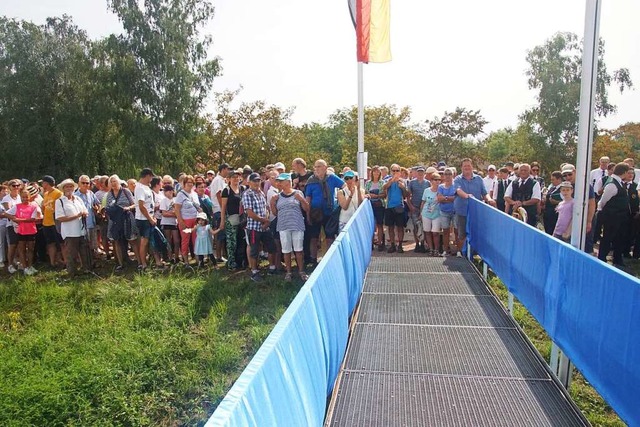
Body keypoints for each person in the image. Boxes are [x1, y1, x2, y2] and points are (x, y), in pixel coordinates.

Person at [270, 173, 310, 282]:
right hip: (283, 226)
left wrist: (301, 199)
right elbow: (275, 213)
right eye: (278, 181)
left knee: (299, 250)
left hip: (297, 225)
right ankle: (289, 272)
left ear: (288, 182)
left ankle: (301, 271)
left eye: (281, 181)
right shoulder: (277, 196)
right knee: (286, 250)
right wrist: (272, 203)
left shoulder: (298, 193)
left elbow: (306, 208)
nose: (279, 183)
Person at [305, 159, 345, 264]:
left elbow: (344, 186)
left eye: (319, 166)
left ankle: (329, 260)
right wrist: (308, 215)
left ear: (325, 168)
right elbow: (308, 199)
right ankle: (313, 260)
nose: (317, 169)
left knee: (330, 236)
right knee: (314, 237)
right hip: (315, 213)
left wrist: (342, 197)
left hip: (329, 212)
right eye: (316, 167)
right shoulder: (311, 180)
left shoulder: (331, 178)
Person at [454, 158, 496, 257]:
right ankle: (461, 255)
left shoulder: (479, 179)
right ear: (461, 167)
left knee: (475, 233)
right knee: (462, 234)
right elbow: (458, 190)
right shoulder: (457, 179)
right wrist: (467, 195)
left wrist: (489, 199)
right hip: (462, 211)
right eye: (465, 166)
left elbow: (484, 193)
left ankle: (473, 256)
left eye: (468, 165)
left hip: (476, 212)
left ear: (472, 166)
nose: (467, 168)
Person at [243, 172, 277, 282]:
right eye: (254, 181)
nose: (257, 183)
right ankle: (254, 272)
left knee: (271, 247)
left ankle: (272, 268)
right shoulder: (247, 194)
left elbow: (266, 208)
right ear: (249, 182)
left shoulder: (261, 193)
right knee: (254, 250)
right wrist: (264, 220)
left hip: (264, 226)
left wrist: (266, 221)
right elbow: (249, 213)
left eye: (258, 180)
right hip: (253, 227)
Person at [55, 179, 92, 277]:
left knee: (84, 251)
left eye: (71, 186)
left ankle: (86, 269)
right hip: (70, 232)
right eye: (67, 186)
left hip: (81, 230)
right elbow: (60, 218)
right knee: (71, 253)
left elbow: (85, 210)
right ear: (63, 189)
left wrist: (84, 214)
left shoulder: (78, 199)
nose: (69, 188)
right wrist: (77, 216)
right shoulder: (60, 201)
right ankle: (72, 273)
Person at [597, 162, 631, 268]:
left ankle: (617, 259)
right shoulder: (612, 184)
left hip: (620, 217)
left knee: (619, 238)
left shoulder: (619, 182)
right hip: (612, 217)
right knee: (608, 237)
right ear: (624, 172)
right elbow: (603, 201)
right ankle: (602, 258)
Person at [5, 185, 42, 275]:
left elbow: (32, 219)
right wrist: (13, 218)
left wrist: (18, 220)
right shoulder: (17, 206)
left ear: (30, 197)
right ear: (21, 197)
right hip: (21, 231)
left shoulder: (33, 207)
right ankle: (25, 267)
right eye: (23, 197)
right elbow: (6, 213)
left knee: (30, 249)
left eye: (27, 197)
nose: (25, 199)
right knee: (21, 249)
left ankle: (30, 266)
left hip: (31, 230)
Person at [105, 174, 139, 272]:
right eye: (111, 182)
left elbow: (134, 204)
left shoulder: (125, 191)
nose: (113, 183)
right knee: (117, 241)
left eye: (115, 181)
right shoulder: (109, 194)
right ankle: (120, 264)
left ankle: (139, 261)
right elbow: (107, 207)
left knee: (132, 240)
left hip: (126, 218)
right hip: (115, 220)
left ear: (119, 182)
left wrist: (128, 208)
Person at [219, 169, 247, 271]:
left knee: (241, 240)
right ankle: (231, 262)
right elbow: (223, 207)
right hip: (231, 218)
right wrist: (222, 221)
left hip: (242, 218)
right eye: (233, 177)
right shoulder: (226, 191)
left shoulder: (243, 188)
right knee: (232, 242)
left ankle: (241, 261)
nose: (236, 179)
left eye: (237, 177)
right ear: (229, 179)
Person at [174, 175, 201, 264]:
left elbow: (197, 206)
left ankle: (197, 259)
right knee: (185, 240)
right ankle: (186, 261)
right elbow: (177, 209)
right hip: (185, 220)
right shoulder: (180, 194)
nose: (190, 184)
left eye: (191, 182)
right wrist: (180, 221)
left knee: (196, 240)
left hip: (195, 220)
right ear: (184, 183)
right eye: (188, 182)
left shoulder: (195, 194)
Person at [382, 163, 408, 253]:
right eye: (394, 170)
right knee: (390, 227)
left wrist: (403, 188)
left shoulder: (403, 181)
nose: (395, 172)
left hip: (399, 206)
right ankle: (392, 244)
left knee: (400, 227)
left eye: (397, 170)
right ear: (391, 171)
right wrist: (391, 181)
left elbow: (405, 195)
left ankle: (400, 245)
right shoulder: (387, 180)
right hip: (389, 206)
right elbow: (384, 188)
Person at [134, 168, 157, 270]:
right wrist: (150, 219)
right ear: (147, 175)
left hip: (150, 217)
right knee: (144, 241)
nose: (151, 179)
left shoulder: (147, 187)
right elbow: (141, 206)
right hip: (143, 219)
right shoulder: (139, 188)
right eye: (151, 176)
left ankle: (154, 260)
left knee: (150, 241)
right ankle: (143, 264)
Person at [40, 175, 64, 269]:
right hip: (46, 222)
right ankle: (52, 263)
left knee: (61, 243)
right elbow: (44, 208)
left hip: (55, 222)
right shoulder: (46, 194)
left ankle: (65, 261)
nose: (42, 184)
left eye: (43, 182)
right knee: (50, 243)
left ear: (46, 183)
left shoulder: (58, 193)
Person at [75, 175, 101, 259]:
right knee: (83, 245)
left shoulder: (91, 193)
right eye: (83, 183)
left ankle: (93, 262)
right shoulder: (75, 196)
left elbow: (98, 203)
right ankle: (85, 263)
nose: (85, 185)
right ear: (79, 183)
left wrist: (97, 208)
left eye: (87, 183)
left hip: (91, 223)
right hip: (81, 224)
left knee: (93, 245)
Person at [209, 163, 230, 262]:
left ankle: (220, 255)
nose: (228, 171)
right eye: (227, 169)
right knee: (220, 234)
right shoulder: (218, 180)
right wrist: (223, 209)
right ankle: (218, 256)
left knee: (222, 234)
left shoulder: (221, 180)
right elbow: (219, 194)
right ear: (223, 169)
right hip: (218, 210)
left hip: (219, 209)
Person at [407, 166, 430, 253]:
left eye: (422, 172)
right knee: (416, 226)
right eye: (419, 172)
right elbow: (408, 196)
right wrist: (410, 206)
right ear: (416, 173)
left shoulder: (427, 183)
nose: (420, 174)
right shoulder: (412, 183)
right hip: (414, 207)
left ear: (424, 174)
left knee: (424, 226)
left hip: (425, 208)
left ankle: (423, 244)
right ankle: (417, 243)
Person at [2, 179, 22, 273]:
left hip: (21, 224)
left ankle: (17, 261)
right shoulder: (7, 198)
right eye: (14, 186)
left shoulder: (20, 197)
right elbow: (8, 211)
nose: (16, 187)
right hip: (11, 224)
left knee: (20, 245)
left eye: (18, 185)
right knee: (12, 245)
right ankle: (10, 264)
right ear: (9, 187)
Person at [420, 172, 442, 256]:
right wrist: (420, 213)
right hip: (426, 213)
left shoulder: (441, 190)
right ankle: (431, 249)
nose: (437, 181)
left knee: (435, 232)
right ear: (431, 181)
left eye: (439, 180)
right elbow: (423, 202)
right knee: (427, 231)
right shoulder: (427, 190)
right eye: (435, 180)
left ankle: (436, 249)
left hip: (437, 214)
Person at [365, 166, 386, 251]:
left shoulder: (382, 183)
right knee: (371, 224)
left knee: (380, 224)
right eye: (374, 172)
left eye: (378, 172)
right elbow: (365, 193)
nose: (376, 173)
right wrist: (370, 195)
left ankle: (380, 242)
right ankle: (371, 242)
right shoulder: (368, 183)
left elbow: (384, 194)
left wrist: (376, 196)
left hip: (379, 205)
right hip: (370, 205)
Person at [437, 168, 456, 256]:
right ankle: (445, 250)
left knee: (456, 231)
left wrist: (445, 198)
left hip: (455, 211)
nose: (448, 176)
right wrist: (449, 198)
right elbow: (439, 199)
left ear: (453, 175)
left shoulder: (456, 186)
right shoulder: (441, 187)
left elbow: (456, 198)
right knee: (445, 231)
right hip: (444, 211)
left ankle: (458, 251)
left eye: (449, 174)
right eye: (446, 174)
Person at [159, 184, 181, 264]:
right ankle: (170, 257)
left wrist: (174, 213)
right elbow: (164, 213)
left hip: (174, 222)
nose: (165, 193)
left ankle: (177, 256)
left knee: (176, 240)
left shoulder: (175, 200)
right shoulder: (164, 200)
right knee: (168, 240)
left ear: (171, 191)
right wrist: (174, 214)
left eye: (166, 191)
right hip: (166, 222)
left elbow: (178, 212)